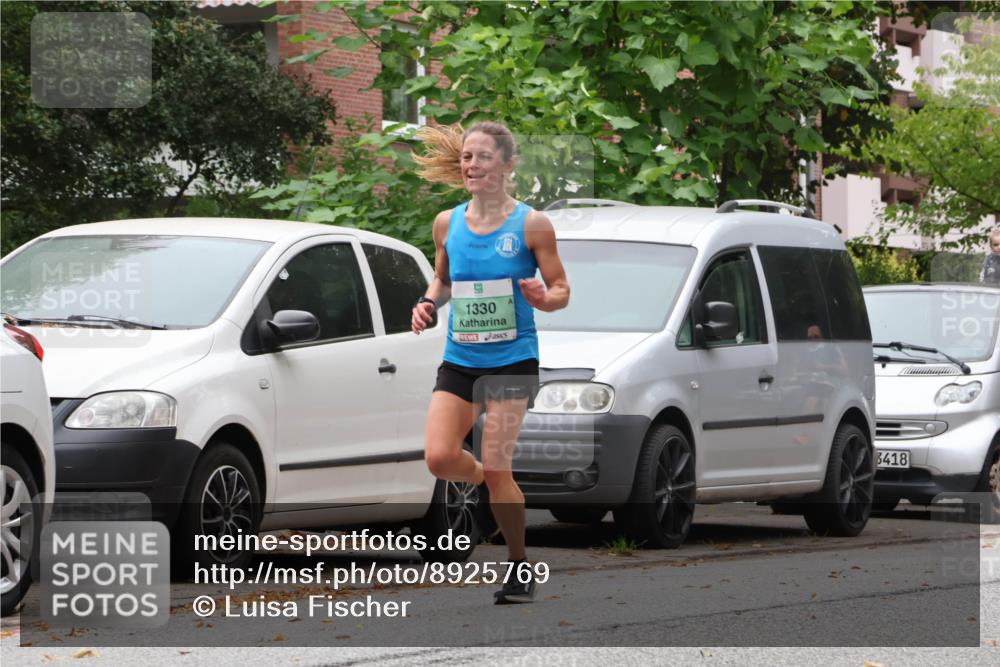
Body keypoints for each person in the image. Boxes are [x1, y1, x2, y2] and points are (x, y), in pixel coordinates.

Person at [410, 122, 570, 604]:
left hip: (512, 360)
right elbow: (443, 281)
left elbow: (561, 289)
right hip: (461, 357)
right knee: (440, 458)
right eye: (466, 157)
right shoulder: (447, 223)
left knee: (500, 463)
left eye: (482, 157)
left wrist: (543, 298)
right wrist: (428, 302)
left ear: (507, 165)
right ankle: (486, 483)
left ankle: (519, 565)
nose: (471, 165)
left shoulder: (531, 224)